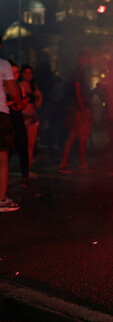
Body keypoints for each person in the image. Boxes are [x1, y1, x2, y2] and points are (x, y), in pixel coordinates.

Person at [58, 50, 93, 174]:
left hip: (78, 108)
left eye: (88, 59)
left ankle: (65, 164)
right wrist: (83, 110)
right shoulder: (78, 73)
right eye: (85, 59)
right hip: (79, 109)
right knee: (80, 137)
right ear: (80, 59)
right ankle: (80, 164)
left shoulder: (80, 72)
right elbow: (78, 93)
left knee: (73, 136)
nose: (87, 61)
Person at [0, 41, 22, 212]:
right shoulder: (3, 64)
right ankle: (1, 200)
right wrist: (18, 102)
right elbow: (13, 90)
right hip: (0, 114)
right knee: (2, 157)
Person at [7, 61, 30, 184]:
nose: (15, 75)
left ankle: (25, 176)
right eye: (12, 72)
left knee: (23, 148)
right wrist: (14, 102)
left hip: (17, 120)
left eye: (16, 72)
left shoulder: (19, 88)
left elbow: (20, 107)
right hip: (6, 122)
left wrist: (22, 101)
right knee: (6, 152)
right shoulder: (2, 87)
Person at [18, 64, 42, 175]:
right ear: (22, 74)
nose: (28, 75)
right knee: (22, 144)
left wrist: (39, 96)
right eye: (26, 73)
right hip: (23, 115)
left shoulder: (34, 87)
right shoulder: (18, 86)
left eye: (30, 73)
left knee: (31, 144)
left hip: (33, 116)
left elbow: (38, 105)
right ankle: (23, 169)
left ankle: (27, 170)